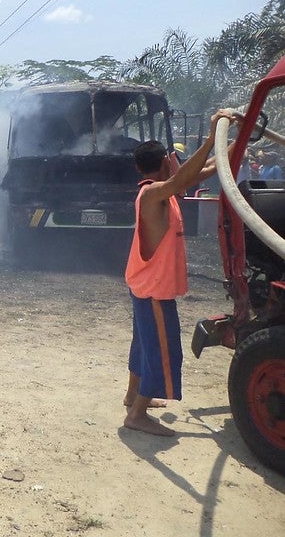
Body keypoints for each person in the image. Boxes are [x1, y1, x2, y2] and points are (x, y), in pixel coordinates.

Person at [123, 109, 236, 436]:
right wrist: (211, 137)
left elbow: (210, 170)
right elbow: (181, 179)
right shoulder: (152, 193)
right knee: (160, 347)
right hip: (153, 289)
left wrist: (230, 141)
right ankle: (137, 415)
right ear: (165, 163)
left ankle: (132, 396)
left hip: (146, 285)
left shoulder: (163, 191)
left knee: (143, 344)